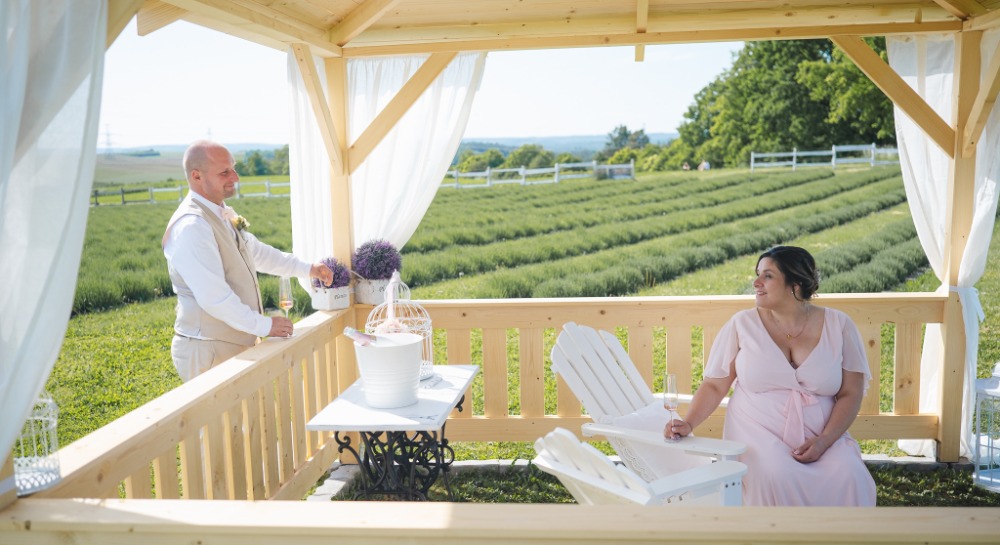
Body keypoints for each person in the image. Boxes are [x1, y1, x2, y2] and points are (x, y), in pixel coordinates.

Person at [664, 245, 876, 506]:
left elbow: (850, 393)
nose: (756, 283)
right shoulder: (742, 324)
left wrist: (824, 441)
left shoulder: (839, 325)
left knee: (849, 475)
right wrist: (688, 423)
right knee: (777, 475)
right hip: (758, 432)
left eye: (767, 276)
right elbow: (714, 386)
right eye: (757, 274)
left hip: (822, 432)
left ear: (795, 283)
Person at [162, 140, 333, 382]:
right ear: (197, 177)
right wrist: (265, 326)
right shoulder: (192, 226)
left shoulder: (220, 213)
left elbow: (259, 254)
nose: (236, 177)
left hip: (234, 344)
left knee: (248, 421)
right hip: (208, 350)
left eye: (233, 168)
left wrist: (308, 269)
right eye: (225, 172)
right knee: (221, 422)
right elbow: (215, 298)